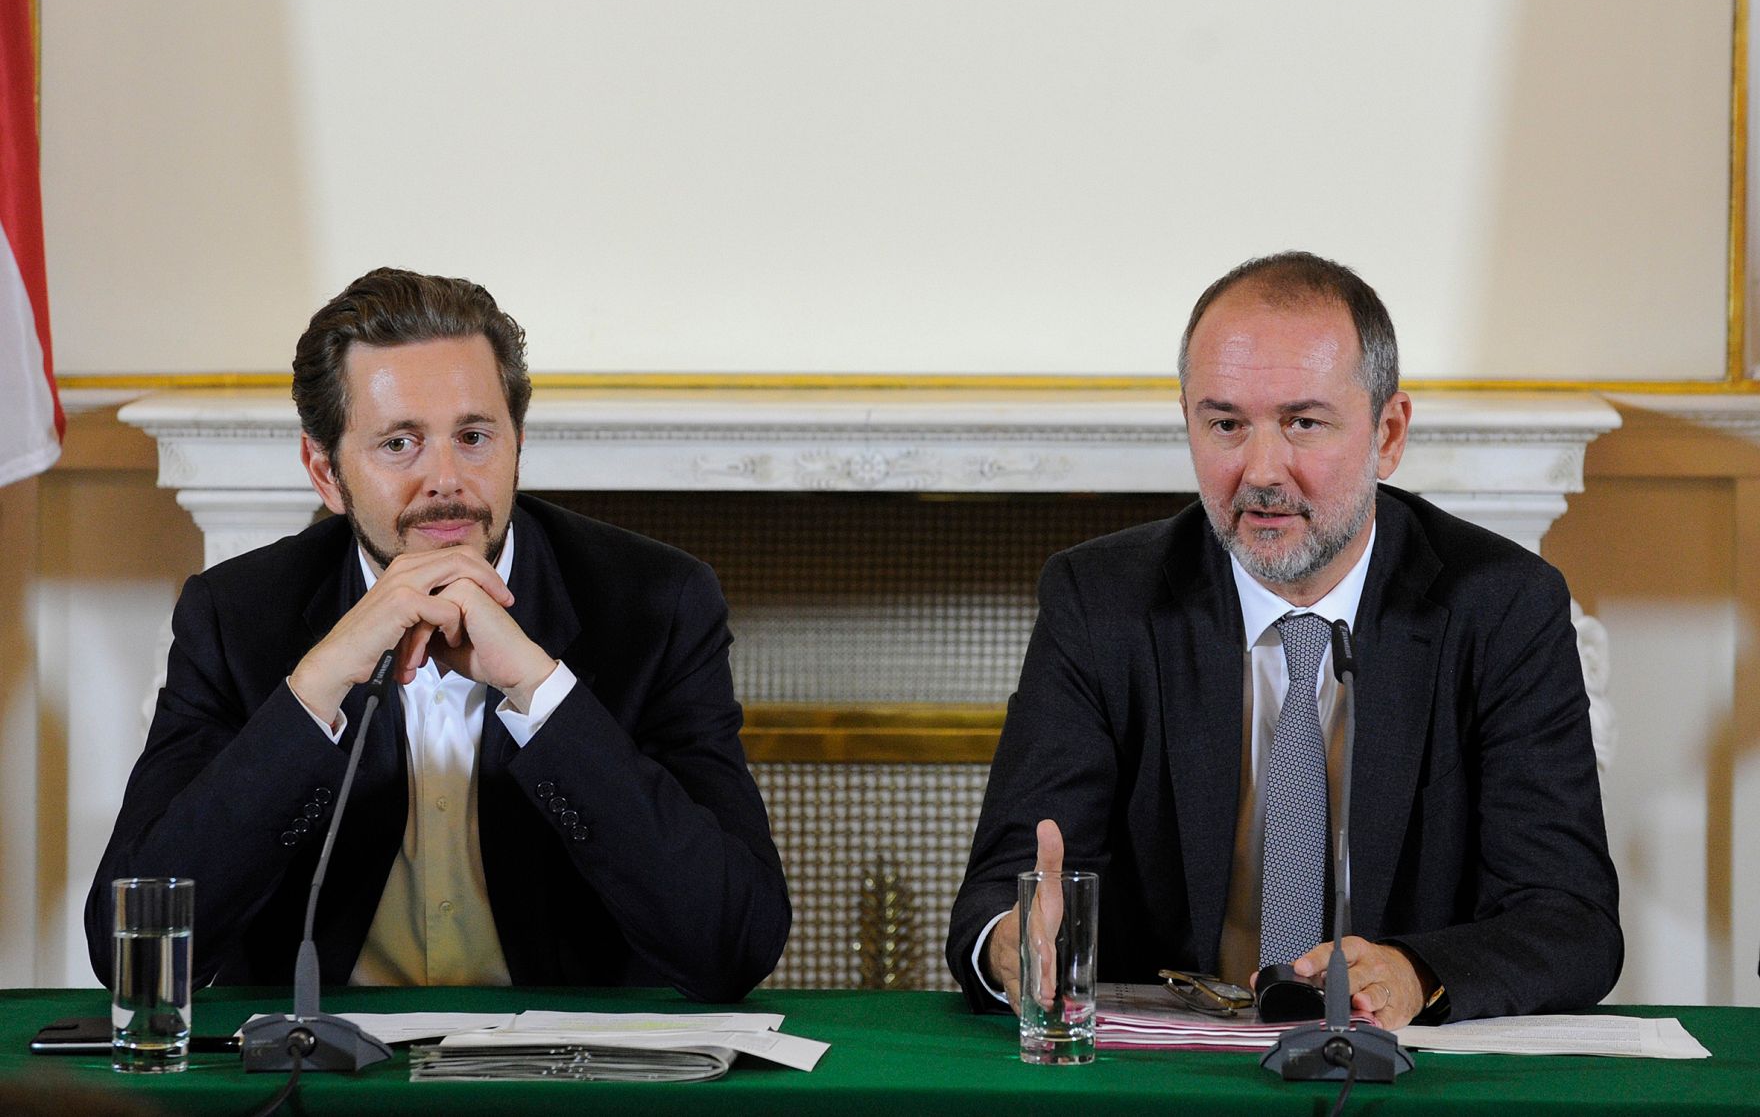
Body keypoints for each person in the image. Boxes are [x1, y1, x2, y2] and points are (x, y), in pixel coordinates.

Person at [947, 251, 1621, 1028]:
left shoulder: (1502, 607)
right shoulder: (1102, 604)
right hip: (1167, 1078)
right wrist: (1014, 944)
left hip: (1395, 1076)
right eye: (1226, 423)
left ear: (1389, 432)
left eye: (1303, 422)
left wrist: (1415, 971)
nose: (1261, 471)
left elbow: (1570, 919)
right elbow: (1004, 898)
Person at [86, 267, 790, 1001]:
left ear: (517, 442)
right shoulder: (237, 615)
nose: (446, 479)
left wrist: (542, 693)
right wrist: (313, 693)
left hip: (569, 1074)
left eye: (474, 436)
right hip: (328, 1081)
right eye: (400, 444)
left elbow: (735, 941)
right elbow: (130, 953)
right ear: (325, 471)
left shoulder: (655, 605)